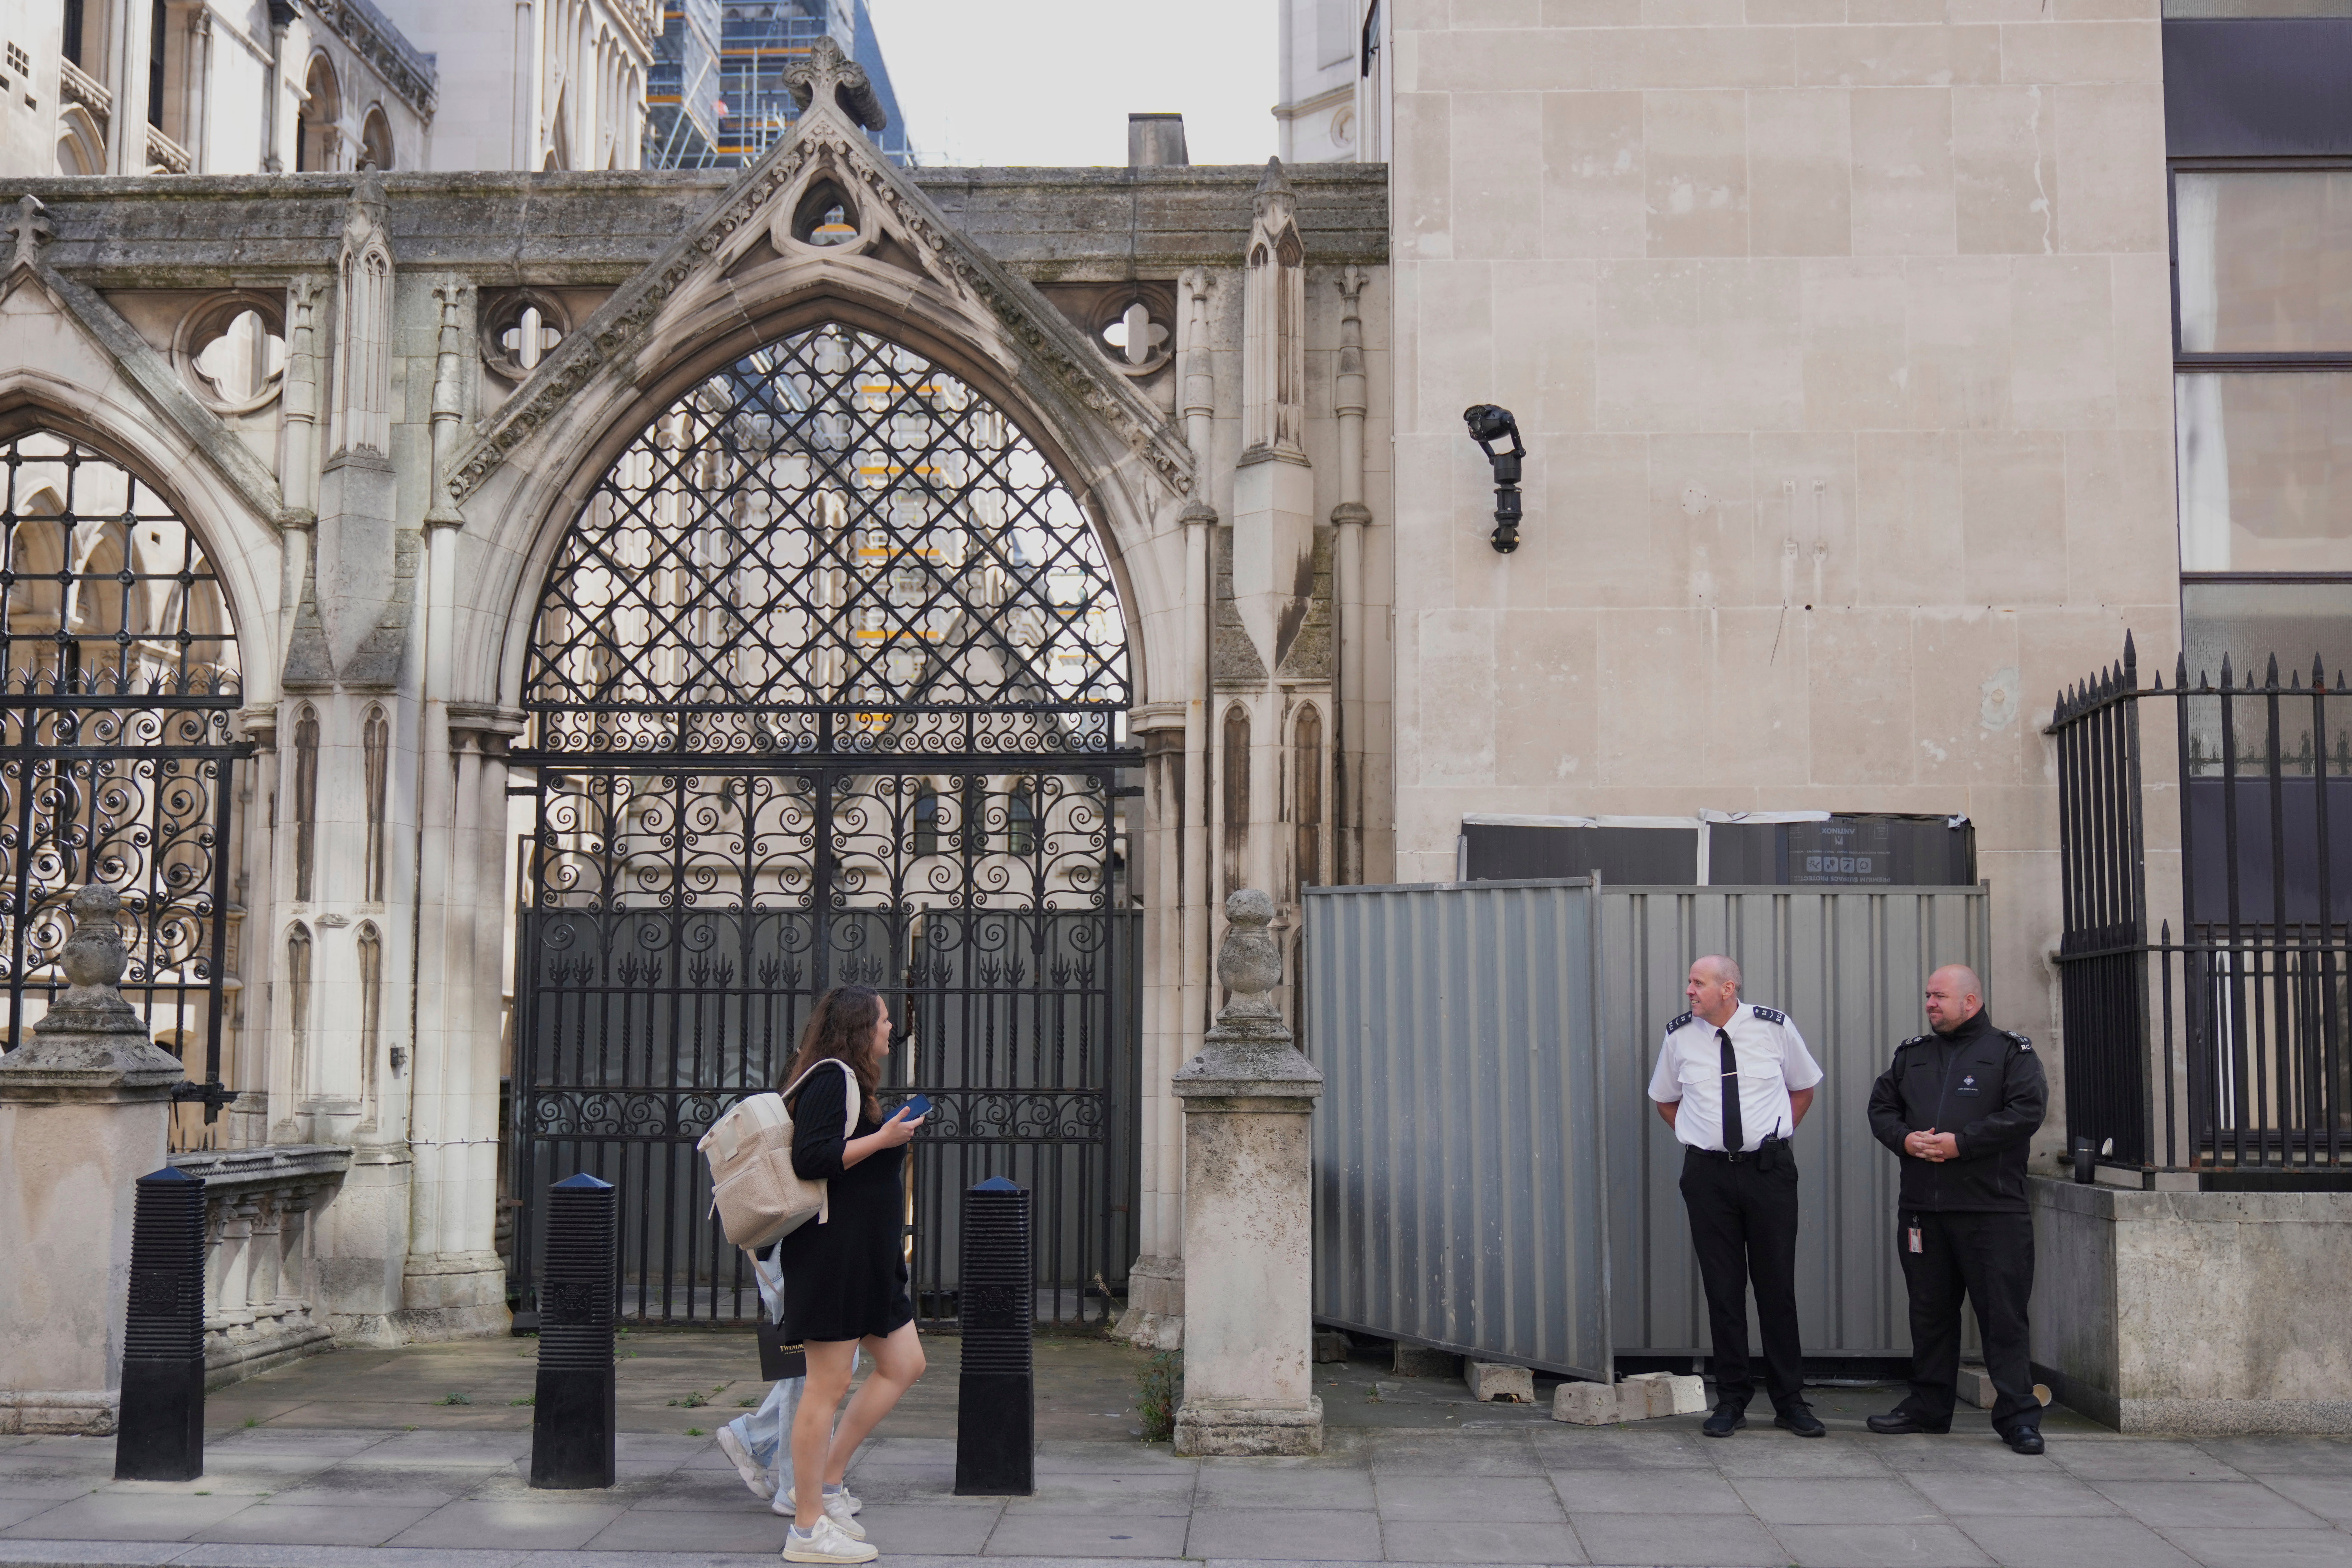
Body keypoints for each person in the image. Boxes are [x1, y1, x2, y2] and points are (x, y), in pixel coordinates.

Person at [771, 985, 928, 1565]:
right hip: (832, 1255)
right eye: (886, 1020)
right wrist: (885, 1139)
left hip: (868, 1259)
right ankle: (806, 1529)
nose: (893, 1028)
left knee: (904, 1363)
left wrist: (887, 1134)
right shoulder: (830, 1077)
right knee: (826, 1387)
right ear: (862, 1028)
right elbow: (811, 1158)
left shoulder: (852, 1083)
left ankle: (828, 1484)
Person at [1865, 964, 2049, 1455]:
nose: (1929, 1003)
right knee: (1929, 1314)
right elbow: (1880, 1108)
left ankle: (2017, 1417)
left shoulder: (2009, 1053)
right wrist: (1905, 1139)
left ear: (1970, 1001)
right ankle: (1928, 1407)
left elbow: (2026, 1111)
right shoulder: (1912, 1056)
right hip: (1924, 1210)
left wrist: (1960, 1145)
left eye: (1939, 996)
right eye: (1927, 994)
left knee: (2003, 1318)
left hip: (1992, 1212)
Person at [1647, 955, 1826, 1438]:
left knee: (1776, 1289)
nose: (1689, 990)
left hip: (1768, 1173)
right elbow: (1664, 1099)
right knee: (1723, 1291)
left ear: (1728, 988)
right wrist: (1697, 1135)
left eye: (1697, 982)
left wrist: (1776, 1134)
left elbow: (1804, 1087)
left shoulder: (1773, 1027)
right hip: (1707, 1177)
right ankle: (1731, 1399)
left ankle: (1790, 1401)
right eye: (1688, 981)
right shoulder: (1680, 1036)